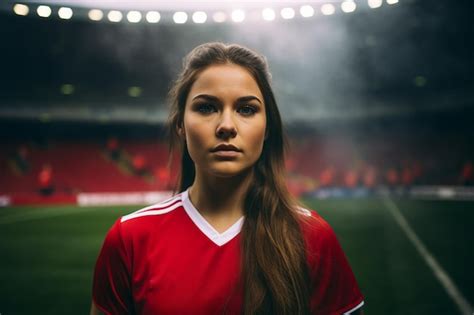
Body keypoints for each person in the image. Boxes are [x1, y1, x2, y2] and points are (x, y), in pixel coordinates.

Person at [91, 42, 364, 315]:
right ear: (180, 126)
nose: (226, 126)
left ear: (267, 127)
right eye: (207, 108)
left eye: (246, 109)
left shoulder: (313, 237)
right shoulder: (129, 238)